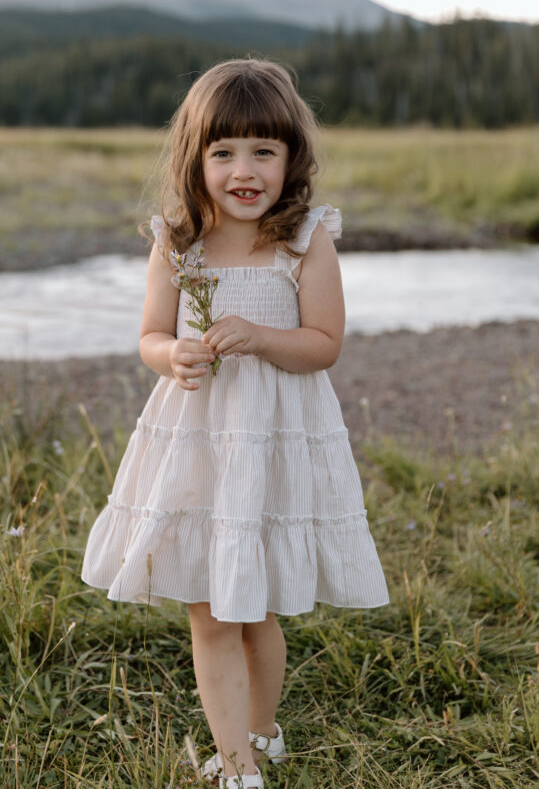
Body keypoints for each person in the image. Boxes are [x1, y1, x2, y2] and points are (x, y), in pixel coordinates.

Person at [81, 58, 389, 789]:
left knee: (256, 609)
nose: (242, 169)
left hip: (272, 441)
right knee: (209, 609)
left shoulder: (304, 239)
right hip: (199, 441)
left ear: (291, 159)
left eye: (263, 151)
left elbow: (323, 345)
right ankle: (239, 766)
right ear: (196, 159)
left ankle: (261, 728)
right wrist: (172, 355)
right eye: (223, 152)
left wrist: (257, 336)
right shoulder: (177, 242)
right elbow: (151, 334)